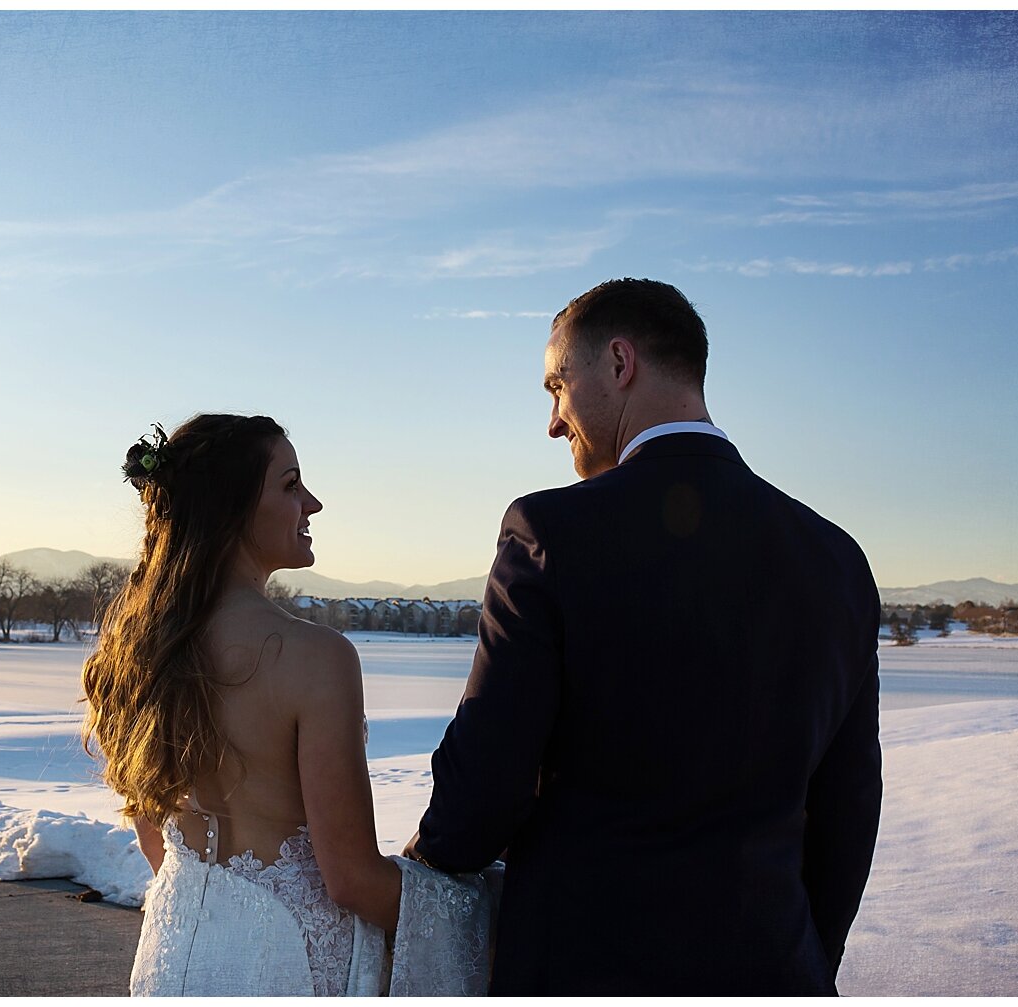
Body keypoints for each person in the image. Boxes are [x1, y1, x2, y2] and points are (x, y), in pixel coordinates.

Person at [405, 278, 883, 994]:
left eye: (556, 387)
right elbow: (849, 809)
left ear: (620, 363)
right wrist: (801, 959)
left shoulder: (549, 534)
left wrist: (422, 861)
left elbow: (482, 795)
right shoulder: (836, 557)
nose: (553, 422)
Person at [82, 414, 494, 997]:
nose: (313, 503)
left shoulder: (140, 648)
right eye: (290, 483)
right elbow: (350, 879)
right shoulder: (316, 657)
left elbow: (156, 841)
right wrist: (475, 913)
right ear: (233, 506)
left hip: (175, 957)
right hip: (295, 965)